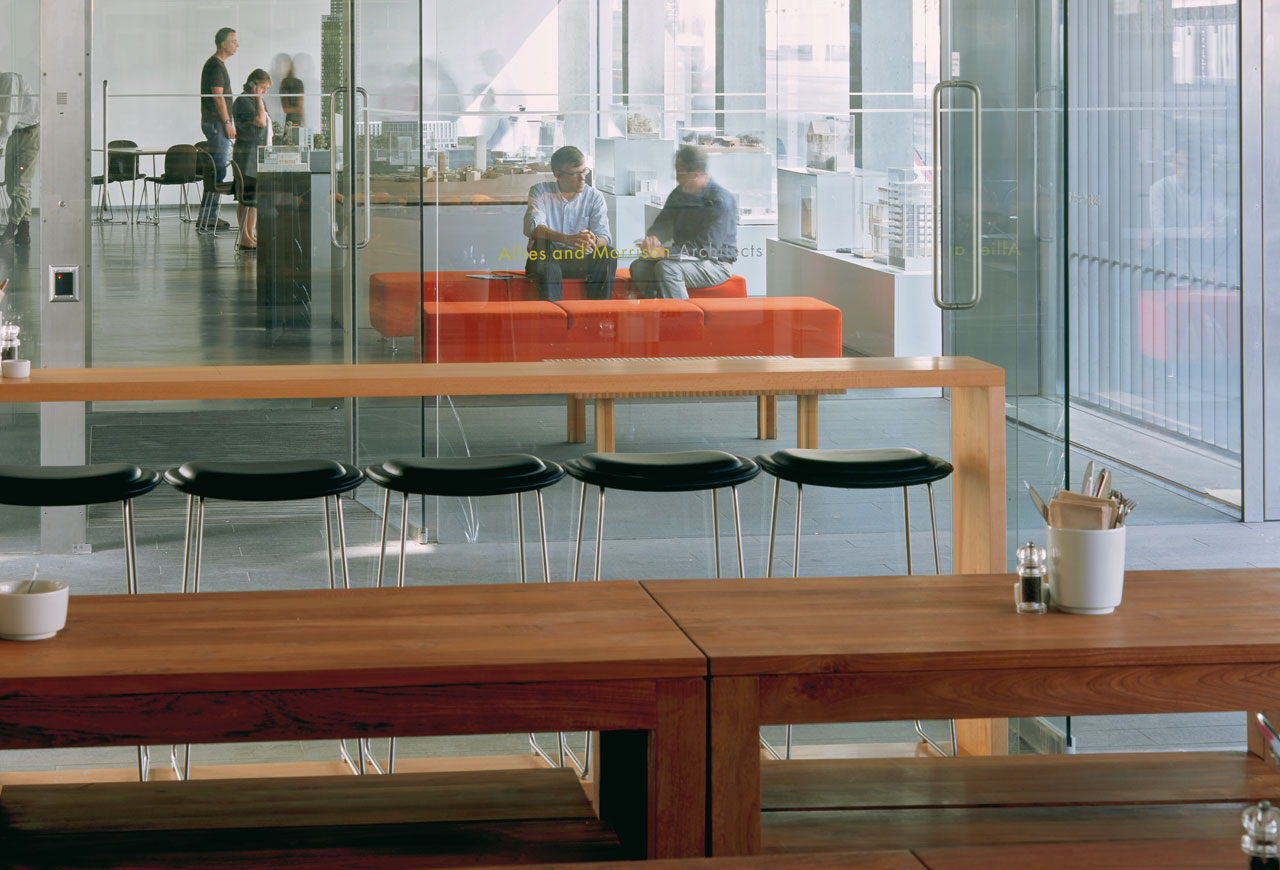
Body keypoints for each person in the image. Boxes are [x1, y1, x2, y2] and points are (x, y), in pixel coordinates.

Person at [632, 145, 737, 299]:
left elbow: (704, 248)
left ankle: (682, 313)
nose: (676, 177)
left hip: (715, 263)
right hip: (683, 257)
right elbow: (662, 224)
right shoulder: (678, 194)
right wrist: (653, 239)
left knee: (667, 269)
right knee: (638, 267)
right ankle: (659, 308)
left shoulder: (719, 201)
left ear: (695, 174)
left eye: (679, 172)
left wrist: (664, 252)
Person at [522, 145, 616, 301]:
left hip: (580, 261)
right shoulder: (540, 191)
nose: (582, 178)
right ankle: (553, 311)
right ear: (557, 174)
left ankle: (598, 312)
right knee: (542, 245)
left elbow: (605, 237)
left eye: (584, 171)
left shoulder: (595, 196)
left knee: (608, 252)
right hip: (547, 261)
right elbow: (533, 228)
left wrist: (592, 239)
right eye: (575, 174)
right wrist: (567, 239)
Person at [198, 26, 239, 230]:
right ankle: (208, 217)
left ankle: (208, 215)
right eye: (233, 41)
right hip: (217, 125)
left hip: (216, 124)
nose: (237, 45)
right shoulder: (215, 66)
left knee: (216, 171)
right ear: (223, 44)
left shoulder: (216, 65)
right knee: (217, 172)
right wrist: (227, 123)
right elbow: (218, 97)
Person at [232, 69, 272, 251]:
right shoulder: (244, 101)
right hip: (247, 155)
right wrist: (258, 98)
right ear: (253, 85)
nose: (264, 92)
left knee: (253, 198)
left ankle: (250, 235)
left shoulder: (257, 101)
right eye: (262, 87)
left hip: (257, 155)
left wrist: (259, 99)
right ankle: (244, 237)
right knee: (246, 197)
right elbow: (261, 121)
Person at [0, 72, 39, 246]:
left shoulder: (9, 81)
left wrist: (0, 144)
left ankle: (11, 228)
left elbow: (10, 116)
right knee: (12, 183)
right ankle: (24, 232)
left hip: (29, 133)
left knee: (20, 183)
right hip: (15, 135)